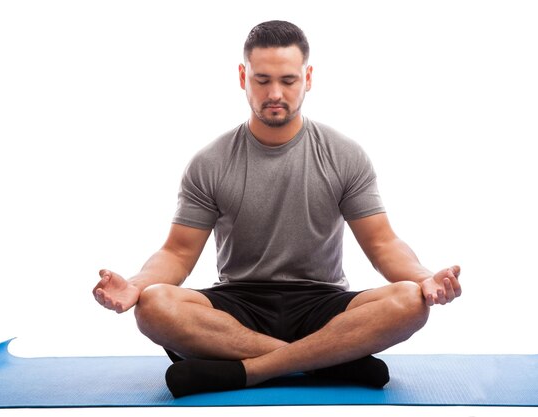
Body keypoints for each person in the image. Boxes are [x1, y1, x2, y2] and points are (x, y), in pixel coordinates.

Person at [93, 20, 461, 397]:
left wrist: (424, 277)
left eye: (288, 80)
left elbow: (382, 244)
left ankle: (249, 371)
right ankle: (328, 362)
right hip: (238, 304)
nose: (275, 93)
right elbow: (178, 252)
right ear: (242, 76)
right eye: (262, 79)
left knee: (410, 302)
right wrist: (137, 286)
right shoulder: (210, 162)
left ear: (308, 77)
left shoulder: (344, 156)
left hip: (322, 302)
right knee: (154, 306)